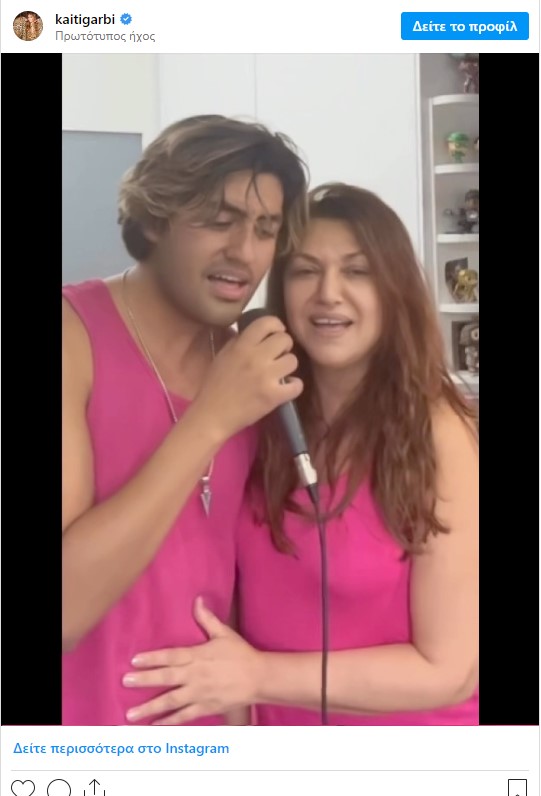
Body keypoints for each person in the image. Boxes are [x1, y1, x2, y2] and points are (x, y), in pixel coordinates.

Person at [122, 183, 479, 726]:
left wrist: (258, 676)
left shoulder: (441, 433)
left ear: (395, 290)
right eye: (306, 271)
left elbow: (449, 671)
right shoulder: (259, 417)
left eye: (357, 271)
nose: (328, 294)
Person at [62, 115, 308, 725]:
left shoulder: (248, 361)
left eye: (265, 230)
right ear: (154, 218)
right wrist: (211, 419)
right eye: (220, 221)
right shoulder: (73, 338)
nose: (244, 253)